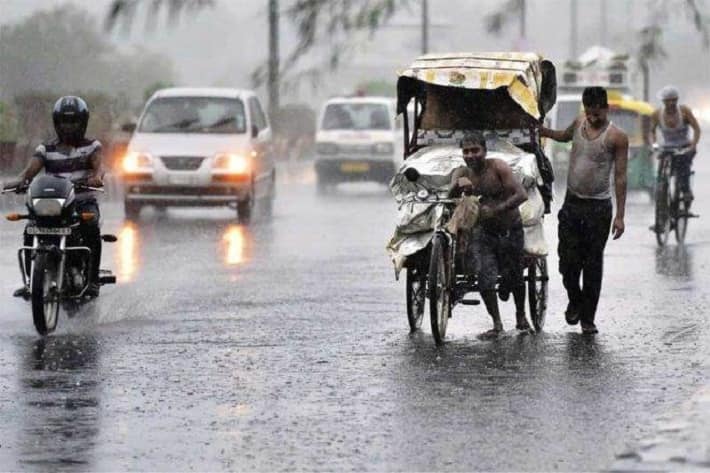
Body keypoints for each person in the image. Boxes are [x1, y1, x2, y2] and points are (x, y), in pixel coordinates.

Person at [540, 86, 628, 334]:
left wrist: (620, 216)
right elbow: (564, 136)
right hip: (572, 204)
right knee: (567, 262)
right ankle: (575, 299)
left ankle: (588, 318)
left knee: (592, 264)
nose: (592, 118)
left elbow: (621, 177)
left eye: (597, 113)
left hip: (598, 208)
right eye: (589, 113)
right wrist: (543, 131)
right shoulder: (579, 122)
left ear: (606, 108)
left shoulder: (617, 137)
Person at [4, 96, 104, 298]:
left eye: (74, 121)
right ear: (56, 123)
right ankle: (31, 282)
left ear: (83, 122)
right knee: (30, 228)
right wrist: (21, 180)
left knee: (91, 226)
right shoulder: (45, 149)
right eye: (64, 122)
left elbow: (100, 167)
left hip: (81, 202)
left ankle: (92, 279)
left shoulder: (92, 146)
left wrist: (97, 177)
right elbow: (30, 170)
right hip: (53, 203)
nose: (69, 126)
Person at [449, 131, 529, 337]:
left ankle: (521, 316)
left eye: (475, 150)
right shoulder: (461, 173)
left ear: (484, 151)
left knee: (515, 277)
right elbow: (449, 200)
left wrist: (497, 209)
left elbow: (521, 194)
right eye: (466, 151)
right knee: (485, 279)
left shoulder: (498, 167)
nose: (470, 155)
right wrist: (458, 188)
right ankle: (497, 324)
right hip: (483, 232)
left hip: (510, 230)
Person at [649, 85, 701, 204]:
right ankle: (662, 189)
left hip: (684, 146)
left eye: (674, 100)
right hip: (667, 146)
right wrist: (654, 144)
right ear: (663, 101)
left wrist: (693, 145)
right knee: (662, 164)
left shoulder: (684, 111)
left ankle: (685, 190)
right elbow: (651, 131)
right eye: (668, 101)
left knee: (683, 166)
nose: (671, 103)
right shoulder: (657, 114)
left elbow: (696, 129)